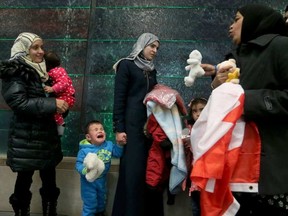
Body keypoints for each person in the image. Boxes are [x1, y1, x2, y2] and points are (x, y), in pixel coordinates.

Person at [206, 4, 288, 215]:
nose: (230, 27)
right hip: (237, 167)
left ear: (253, 21)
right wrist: (217, 85)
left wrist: (246, 100)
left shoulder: (281, 46)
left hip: (271, 171)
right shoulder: (237, 57)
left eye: (236, 19)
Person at [0, 32, 68, 215]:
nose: (41, 52)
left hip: (47, 135)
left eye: (41, 47)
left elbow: (57, 96)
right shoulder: (16, 71)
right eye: (35, 47)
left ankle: (49, 211)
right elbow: (19, 103)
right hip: (26, 136)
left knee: (49, 179)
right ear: (24, 49)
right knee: (24, 178)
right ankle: (21, 211)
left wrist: (63, 106)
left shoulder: (46, 70)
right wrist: (53, 104)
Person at [112, 32, 160, 216]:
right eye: (152, 46)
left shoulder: (151, 69)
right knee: (132, 173)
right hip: (131, 129)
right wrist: (119, 128)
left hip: (148, 130)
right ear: (142, 45)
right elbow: (119, 99)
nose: (155, 51)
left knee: (145, 173)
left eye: (157, 48)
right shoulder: (126, 65)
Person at [75, 120, 125, 216]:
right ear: (88, 137)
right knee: (90, 204)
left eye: (102, 129)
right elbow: (78, 164)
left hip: (102, 180)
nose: (100, 131)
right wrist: (85, 171)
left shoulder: (108, 145)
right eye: (96, 129)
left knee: (101, 202)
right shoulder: (84, 150)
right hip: (88, 183)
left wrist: (119, 144)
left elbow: (117, 153)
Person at [43, 51, 76, 135]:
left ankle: (60, 125)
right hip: (67, 96)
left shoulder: (55, 72)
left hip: (66, 97)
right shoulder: (59, 70)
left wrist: (52, 89)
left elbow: (64, 83)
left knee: (55, 111)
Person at [185, 98, 207, 216]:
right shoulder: (191, 129)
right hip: (196, 175)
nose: (198, 114)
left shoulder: (214, 127)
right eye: (194, 111)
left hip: (209, 174)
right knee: (196, 207)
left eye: (202, 109)